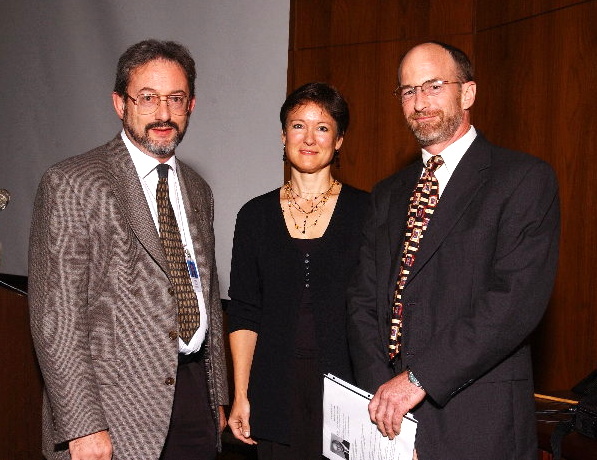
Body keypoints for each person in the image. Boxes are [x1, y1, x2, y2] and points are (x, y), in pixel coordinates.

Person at [347, 41, 560, 460]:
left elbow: (514, 303)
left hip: (479, 423)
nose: (419, 102)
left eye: (433, 86)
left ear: (468, 93)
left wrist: (418, 381)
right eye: (408, 91)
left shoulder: (524, 179)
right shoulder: (387, 194)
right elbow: (362, 302)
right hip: (388, 421)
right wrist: (386, 402)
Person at [28, 39, 228, 460]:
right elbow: (56, 319)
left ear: (191, 105)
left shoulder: (198, 189)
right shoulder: (72, 183)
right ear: (120, 104)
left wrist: (218, 394)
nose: (162, 114)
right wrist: (82, 426)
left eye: (175, 99)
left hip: (194, 399)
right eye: (148, 98)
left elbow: (205, 291)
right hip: (112, 411)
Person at [226, 82, 369, 459]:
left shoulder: (369, 213)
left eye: (322, 127)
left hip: (348, 391)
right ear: (283, 135)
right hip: (273, 389)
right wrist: (241, 394)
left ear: (339, 140)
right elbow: (244, 311)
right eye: (297, 125)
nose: (309, 138)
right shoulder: (254, 216)